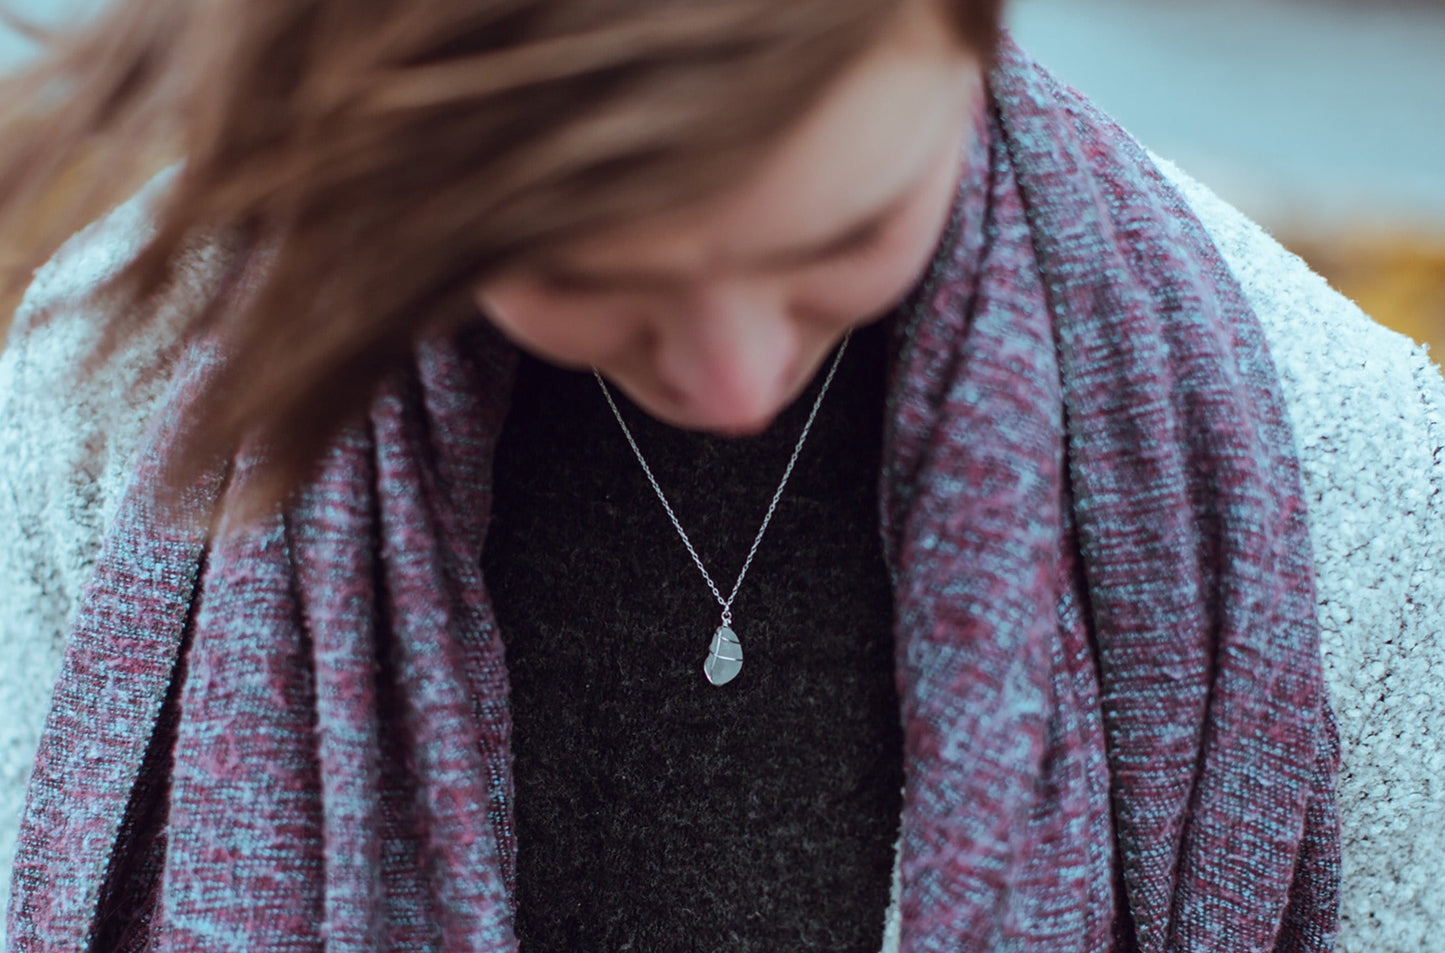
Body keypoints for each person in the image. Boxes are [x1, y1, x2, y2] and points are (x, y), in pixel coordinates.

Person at [0, 0, 1441, 950]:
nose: (738, 382)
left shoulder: (1337, 466)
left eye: (839, 241)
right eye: (590, 272)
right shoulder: (118, 398)